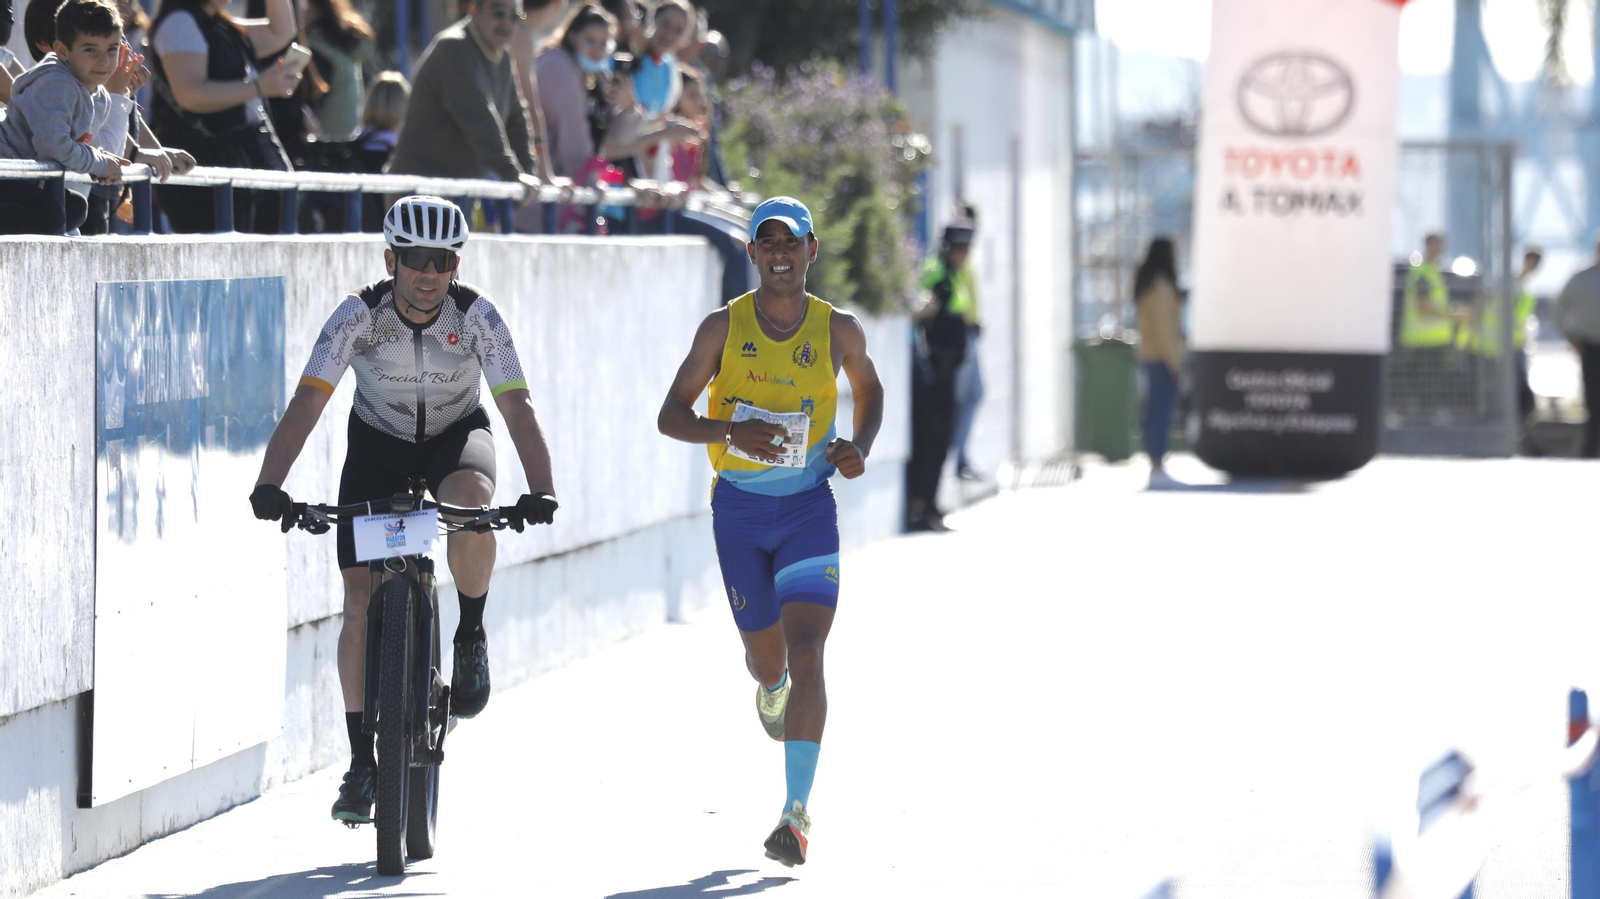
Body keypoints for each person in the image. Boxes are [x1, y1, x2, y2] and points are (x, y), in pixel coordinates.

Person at [248, 196, 560, 824]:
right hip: (378, 448)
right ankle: (362, 761)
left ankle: (470, 631)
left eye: (442, 261)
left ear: (455, 265)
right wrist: (270, 484)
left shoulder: (478, 318)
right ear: (391, 259)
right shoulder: (356, 317)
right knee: (359, 604)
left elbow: (517, 408)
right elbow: (306, 405)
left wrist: (542, 487)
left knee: (471, 504)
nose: (429, 273)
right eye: (415, 259)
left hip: (455, 439)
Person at [656, 196, 884, 867]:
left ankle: (796, 813)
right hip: (741, 514)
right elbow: (670, 413)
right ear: (752, 254)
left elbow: (870, 392)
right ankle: (770, 685)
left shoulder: (837, 329)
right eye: (768, 243)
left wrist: (859, 446)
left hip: (809, 507)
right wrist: (731, 431)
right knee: (771, 661)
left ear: (812, 251)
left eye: (793, 242)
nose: (781, 253)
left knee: (809, 649)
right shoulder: (721, 330)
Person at [146, 0, 302, 233]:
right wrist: (260, 86)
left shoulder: (215, 22)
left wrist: (261, 86)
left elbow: (281, 31)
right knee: (220, 266)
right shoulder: (180, 21)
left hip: (230, 167)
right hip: (200, 173)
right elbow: (191, 94)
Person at [385, 0, 540, 207]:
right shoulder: (453, 47)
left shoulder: (503, 57)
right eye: (498, 13)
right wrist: (512, 173)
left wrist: (527, 173)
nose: (506, 23)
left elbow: (517, 120)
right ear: (473, 10)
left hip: (458, 193)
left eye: (514, 17)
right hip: (420, 192)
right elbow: (479, 118)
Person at [0, 0, 129, 234]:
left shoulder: (100, 95)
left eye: (112, 49)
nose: (105, 61)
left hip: (26, 182)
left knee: (76, 207)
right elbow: (54, 147)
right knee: (51, 215)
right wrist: (99, 164)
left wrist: (101, 160)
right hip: (6, 173)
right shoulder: (56, 84)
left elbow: (78, 144)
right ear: (62, 50)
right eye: (91, 49)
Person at [905, 221, 972, 532]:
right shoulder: (936, 271)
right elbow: (922, 308)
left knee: (942, 440)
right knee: (930, 441)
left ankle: (930, 504)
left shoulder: (954, 273)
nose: (964, 254)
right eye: (960, 247)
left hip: (948, 373)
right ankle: (921, 507)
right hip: (934, 374)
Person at [1133, 237, 1185, 487]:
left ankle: (1154, 459)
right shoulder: (1162, 287)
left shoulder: (1147, 285)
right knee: (1161, 412)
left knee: (1153, 410)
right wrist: (1175, 364)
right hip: (1162, 357)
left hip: (1148, 355)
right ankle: (1156, 461)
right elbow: (1166, 331)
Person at [945, 200, 984, 479]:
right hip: (958, 335)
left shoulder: (966, 261)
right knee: (963, 396)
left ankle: (959, 456)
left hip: (968, 332)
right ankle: (956, 458)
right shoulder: (952, 262)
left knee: (972, 394)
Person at [302, 0, 375, 140]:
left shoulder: (318, 52)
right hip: (347, 139)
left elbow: (312, 108)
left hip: (326, 147)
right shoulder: (341, 47)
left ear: (315, 8)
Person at [1554, 236, 1600, 458]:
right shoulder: (1581, 277)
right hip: (1590, 345)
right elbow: (1559, 307)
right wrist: (1569, 336)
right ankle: (1590, 448)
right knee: (1593, 397)